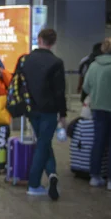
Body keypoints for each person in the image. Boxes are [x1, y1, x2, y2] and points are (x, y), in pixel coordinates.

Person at [20, 29, 66, 200]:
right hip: (49, 110)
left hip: (32, 109)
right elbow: (59, 91)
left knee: (43, 143)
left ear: (39, 39)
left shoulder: (26, 60)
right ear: (53, 42)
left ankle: (52, 173)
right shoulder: (56, 62)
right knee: (43, 144)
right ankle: (33, 184)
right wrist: (63, 114)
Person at [82, 37, 111, 191]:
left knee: (98, 142)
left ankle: (95, 177)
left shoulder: (94, 65)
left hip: (97, 109)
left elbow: (86, 87)